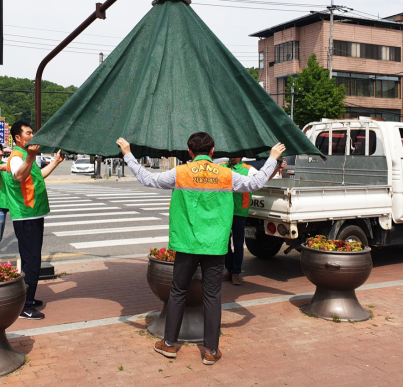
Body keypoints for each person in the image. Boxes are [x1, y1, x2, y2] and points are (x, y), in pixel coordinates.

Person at [116, 133, 286, 366]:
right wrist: (272, 158)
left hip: (186, 243)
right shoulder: (227, 175)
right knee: (212, 296)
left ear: (190, 151)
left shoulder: (181, 173)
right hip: (215, 245)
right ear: (213, 151)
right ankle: (210, 351)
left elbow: (147, 178)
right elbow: (256, 183)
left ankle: (169, 345)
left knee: (178, 292)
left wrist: (127, 153)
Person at [7, 121, 65, 320]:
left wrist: (55, 162)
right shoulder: (16, 157)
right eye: (29, 133)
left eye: (33, 132)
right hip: (26, 215)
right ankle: (25, 306)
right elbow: (19, 177)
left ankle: (28, 297)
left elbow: (38, 176)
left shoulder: (26, 156)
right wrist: (31, 156)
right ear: (18, 138)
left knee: (33, 259)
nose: (33, 136)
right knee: (31, 261)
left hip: (34, 214)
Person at [222, 157, 286, 285]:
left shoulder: (247, 169)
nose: (232, 157)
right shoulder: (222, 166)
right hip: (224, 211)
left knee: (238, 243)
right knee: (224, 243)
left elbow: (263, 179)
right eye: (231, 154)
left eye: (235, 154)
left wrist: (277, 168)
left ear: (240, 156)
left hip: (240, 211)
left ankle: (236, 272)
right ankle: (229, 269)